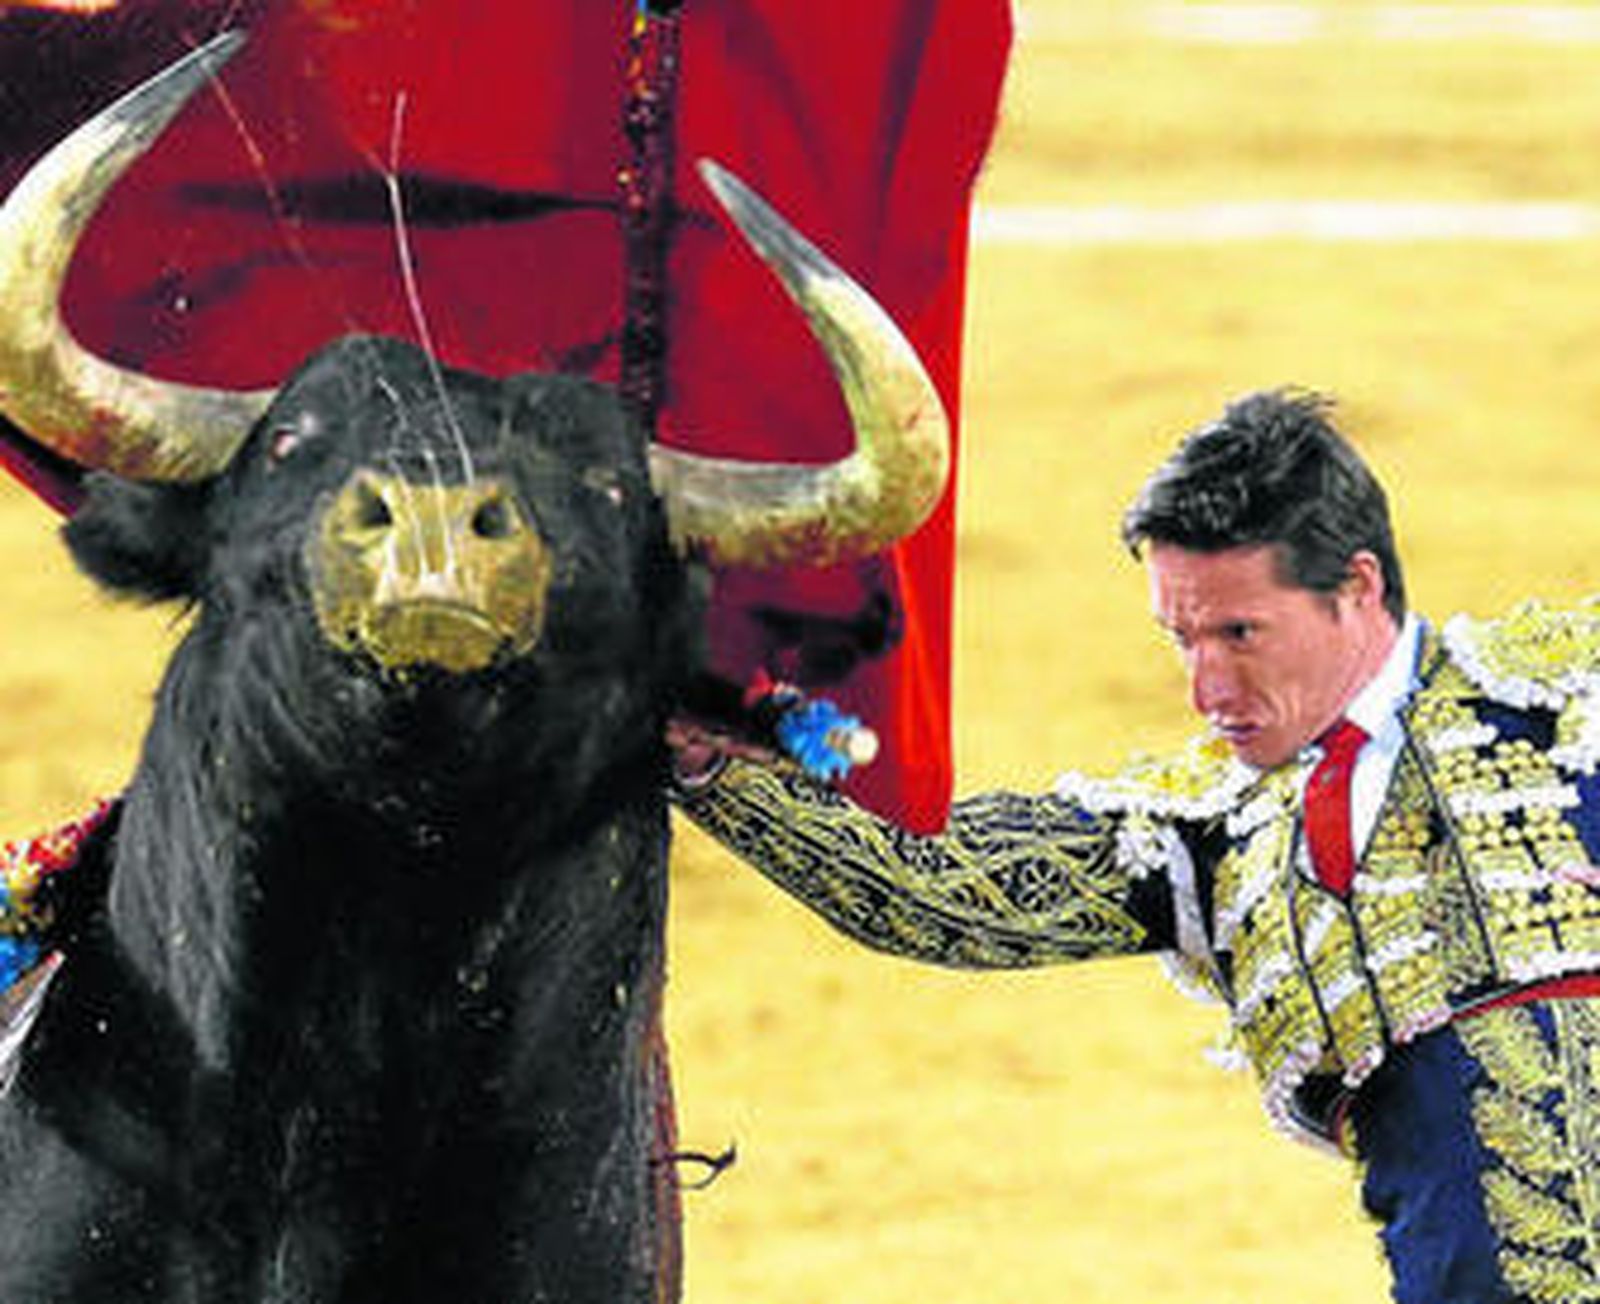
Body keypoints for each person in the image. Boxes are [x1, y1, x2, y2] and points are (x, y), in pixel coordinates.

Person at [671, 387, 1600, 1304]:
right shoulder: (1210, 834)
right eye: (1182, 640)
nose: (1206, 690)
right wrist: (719, 760)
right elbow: (938, 883)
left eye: (1241, 634)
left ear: (1357, 586)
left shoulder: (1571, 691)